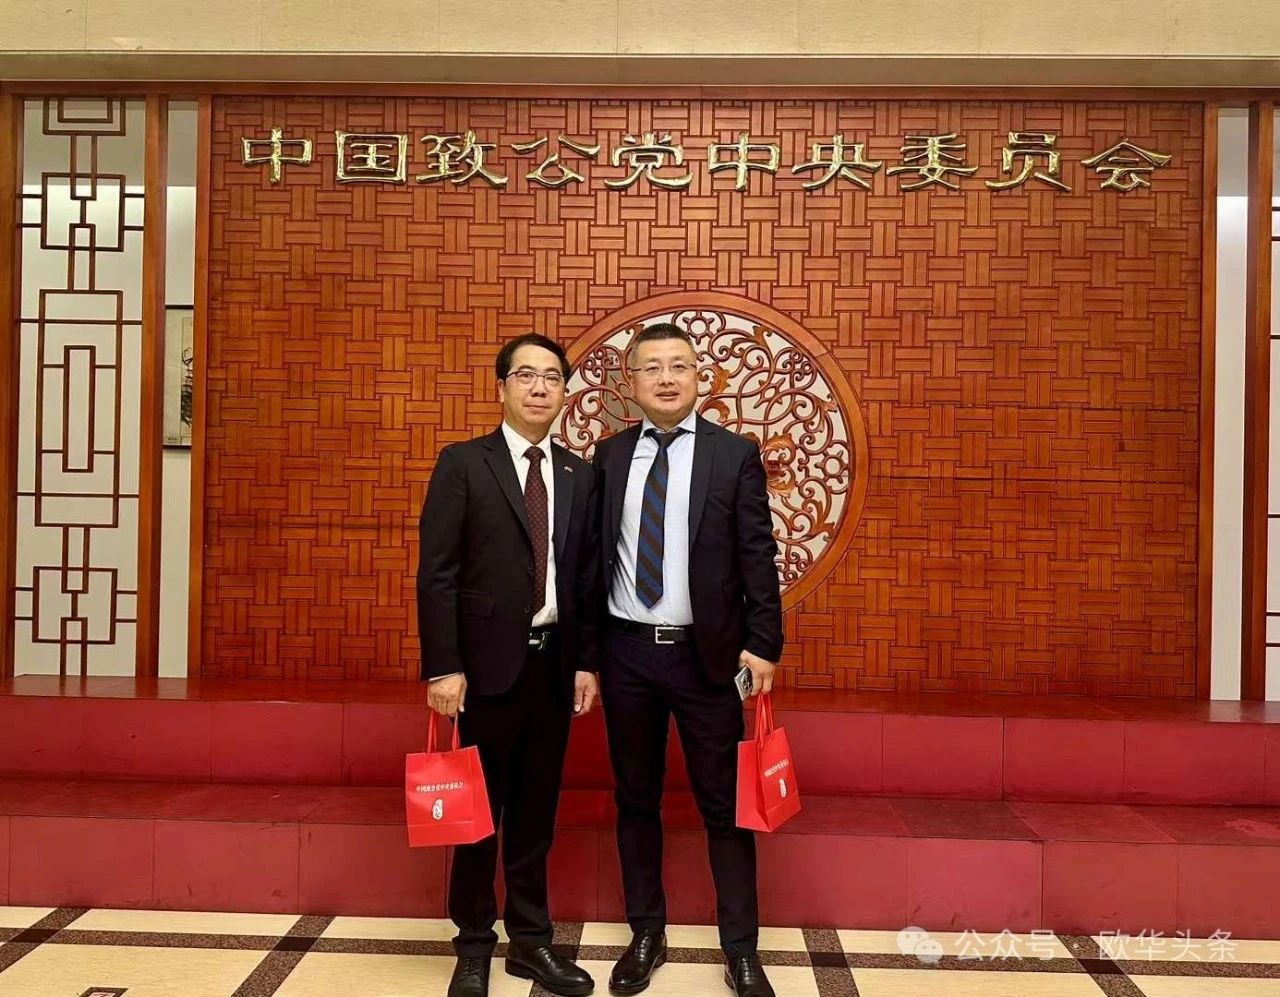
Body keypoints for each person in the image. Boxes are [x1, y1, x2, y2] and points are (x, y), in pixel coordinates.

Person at [593, 322, 784, 997]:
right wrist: (586, 656)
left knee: (723, 807)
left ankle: (741, 950)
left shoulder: (734, 455)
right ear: (632, 381)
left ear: (700, 375)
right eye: (652, 367)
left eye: (679, 365)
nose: (666, 378)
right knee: (635, 799)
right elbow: (591, 560)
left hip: (707, 659)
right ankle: (646, 933)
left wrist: (763, 642)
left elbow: (757, 553)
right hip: (626, 655)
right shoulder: (609, 455)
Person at [417, 333, 598, 997]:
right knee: (477, 816)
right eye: (526, 375)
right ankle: (472, 943)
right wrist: (443, 666)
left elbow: (585, 577)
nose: (540, 387)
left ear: (565, 392)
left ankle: (530, 941)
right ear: (502, 388)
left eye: (552, 377)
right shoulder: (464, 463)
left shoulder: (579, 474)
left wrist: (586, 662)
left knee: (535, 814)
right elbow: (437, 572)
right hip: (483, 671)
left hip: (553, 669)